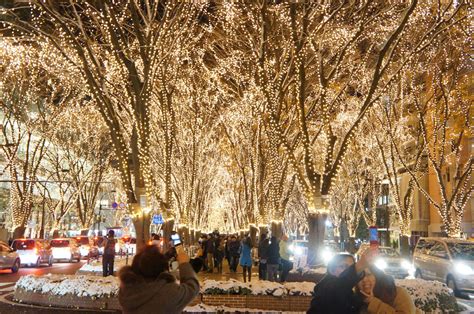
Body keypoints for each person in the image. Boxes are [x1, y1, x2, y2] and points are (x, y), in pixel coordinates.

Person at [119, 245, 199, 314]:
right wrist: (184, 263)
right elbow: (192, 287)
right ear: (162, 269)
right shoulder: (169, 293)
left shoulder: (127, 291)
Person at [306, 250, 376, 314]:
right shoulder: (327, 288)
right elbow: (339, 285)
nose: (348, 270)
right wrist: (359, 266)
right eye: (344, 266)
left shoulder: (350, 292)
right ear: (332, 270)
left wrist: (369, 302)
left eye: (351, 267)